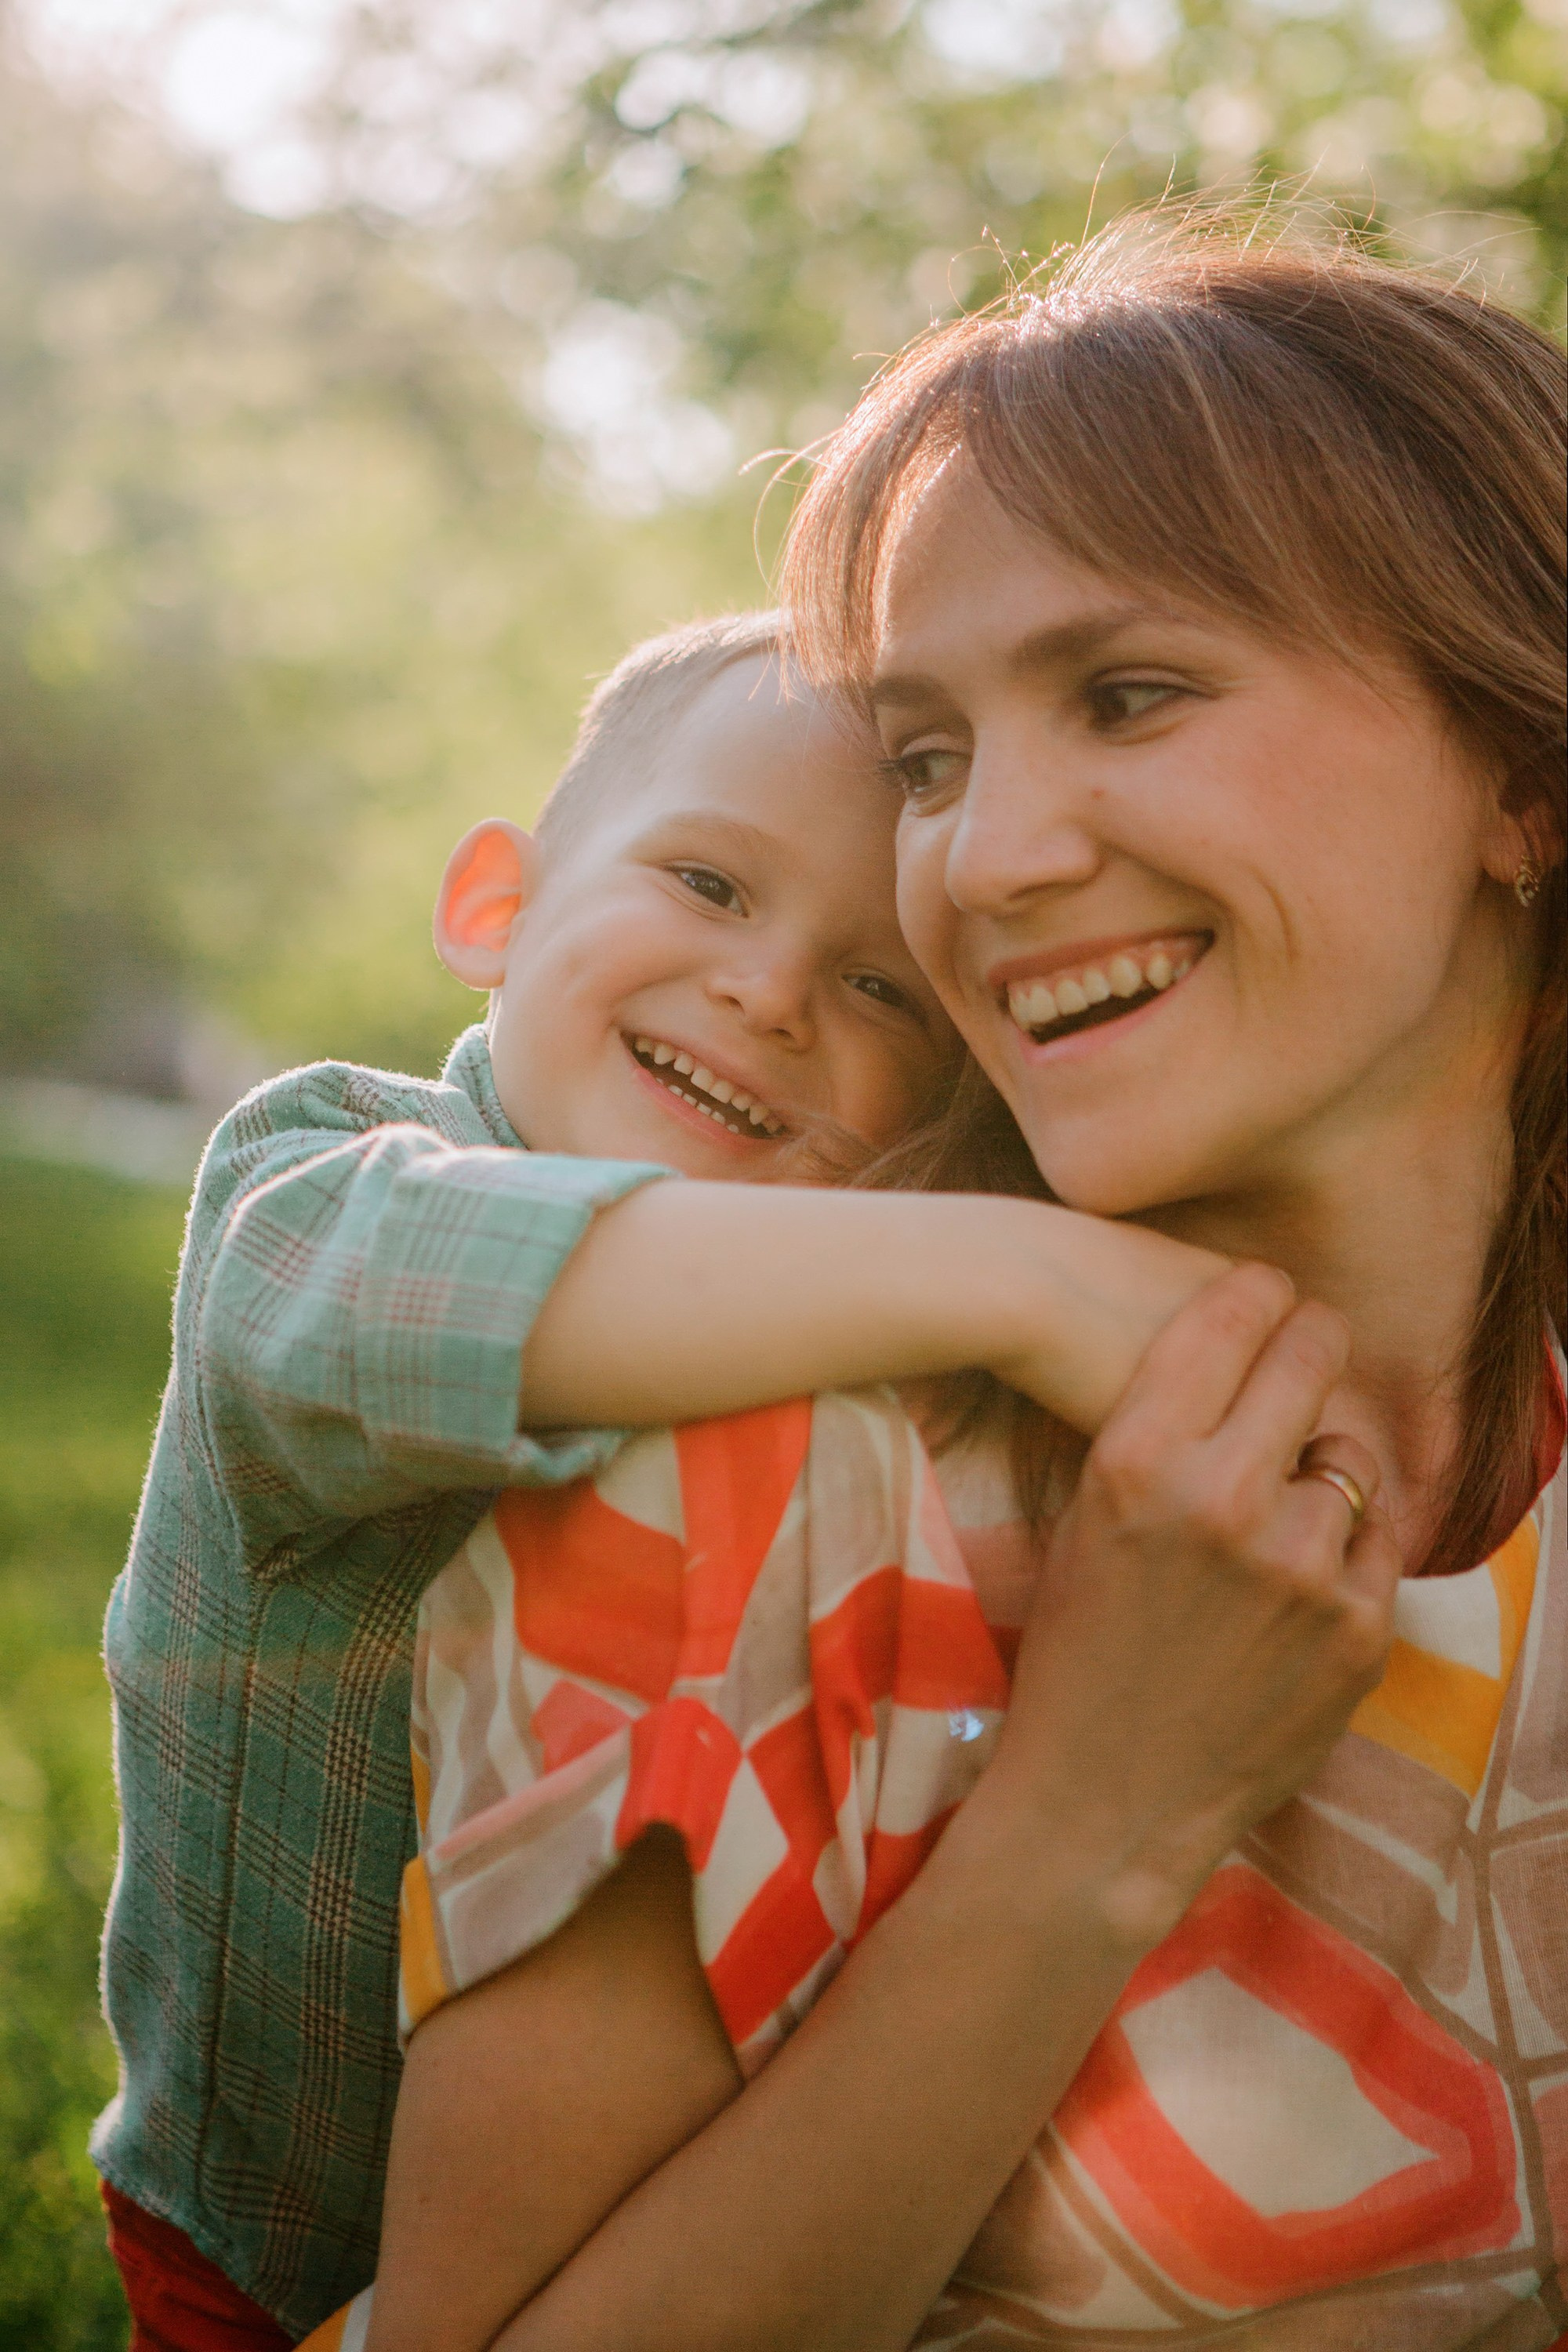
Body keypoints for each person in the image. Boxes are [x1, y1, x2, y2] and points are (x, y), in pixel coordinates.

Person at [306, 210, 1565, 2352]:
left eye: (1129, 694)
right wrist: (1090, 1829)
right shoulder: (756, 1486)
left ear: (1520, 779)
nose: (979, 862)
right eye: (926, 759)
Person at [94, 610, 1236, 2347]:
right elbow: (450, 1278)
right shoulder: (316, 1177)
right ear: (498, 904)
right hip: (275, 2240)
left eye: (881, 989)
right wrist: (1033, 1280)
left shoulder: (851, 1342)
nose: (769, 994)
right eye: (707, 885)